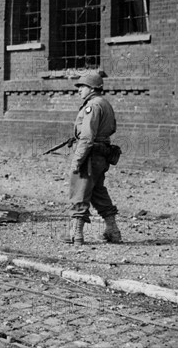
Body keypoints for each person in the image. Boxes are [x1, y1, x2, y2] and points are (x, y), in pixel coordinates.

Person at [63, 72, 121, 245]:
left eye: (82, 86)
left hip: (90, 156)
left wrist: (77, 160)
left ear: (92, 88)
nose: (79, 90)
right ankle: (113, 231)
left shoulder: (92, 106)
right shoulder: (105, 104)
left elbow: (87, 137)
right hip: (101, 155)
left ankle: (76, 234)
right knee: (97, 192)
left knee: (79, 191)